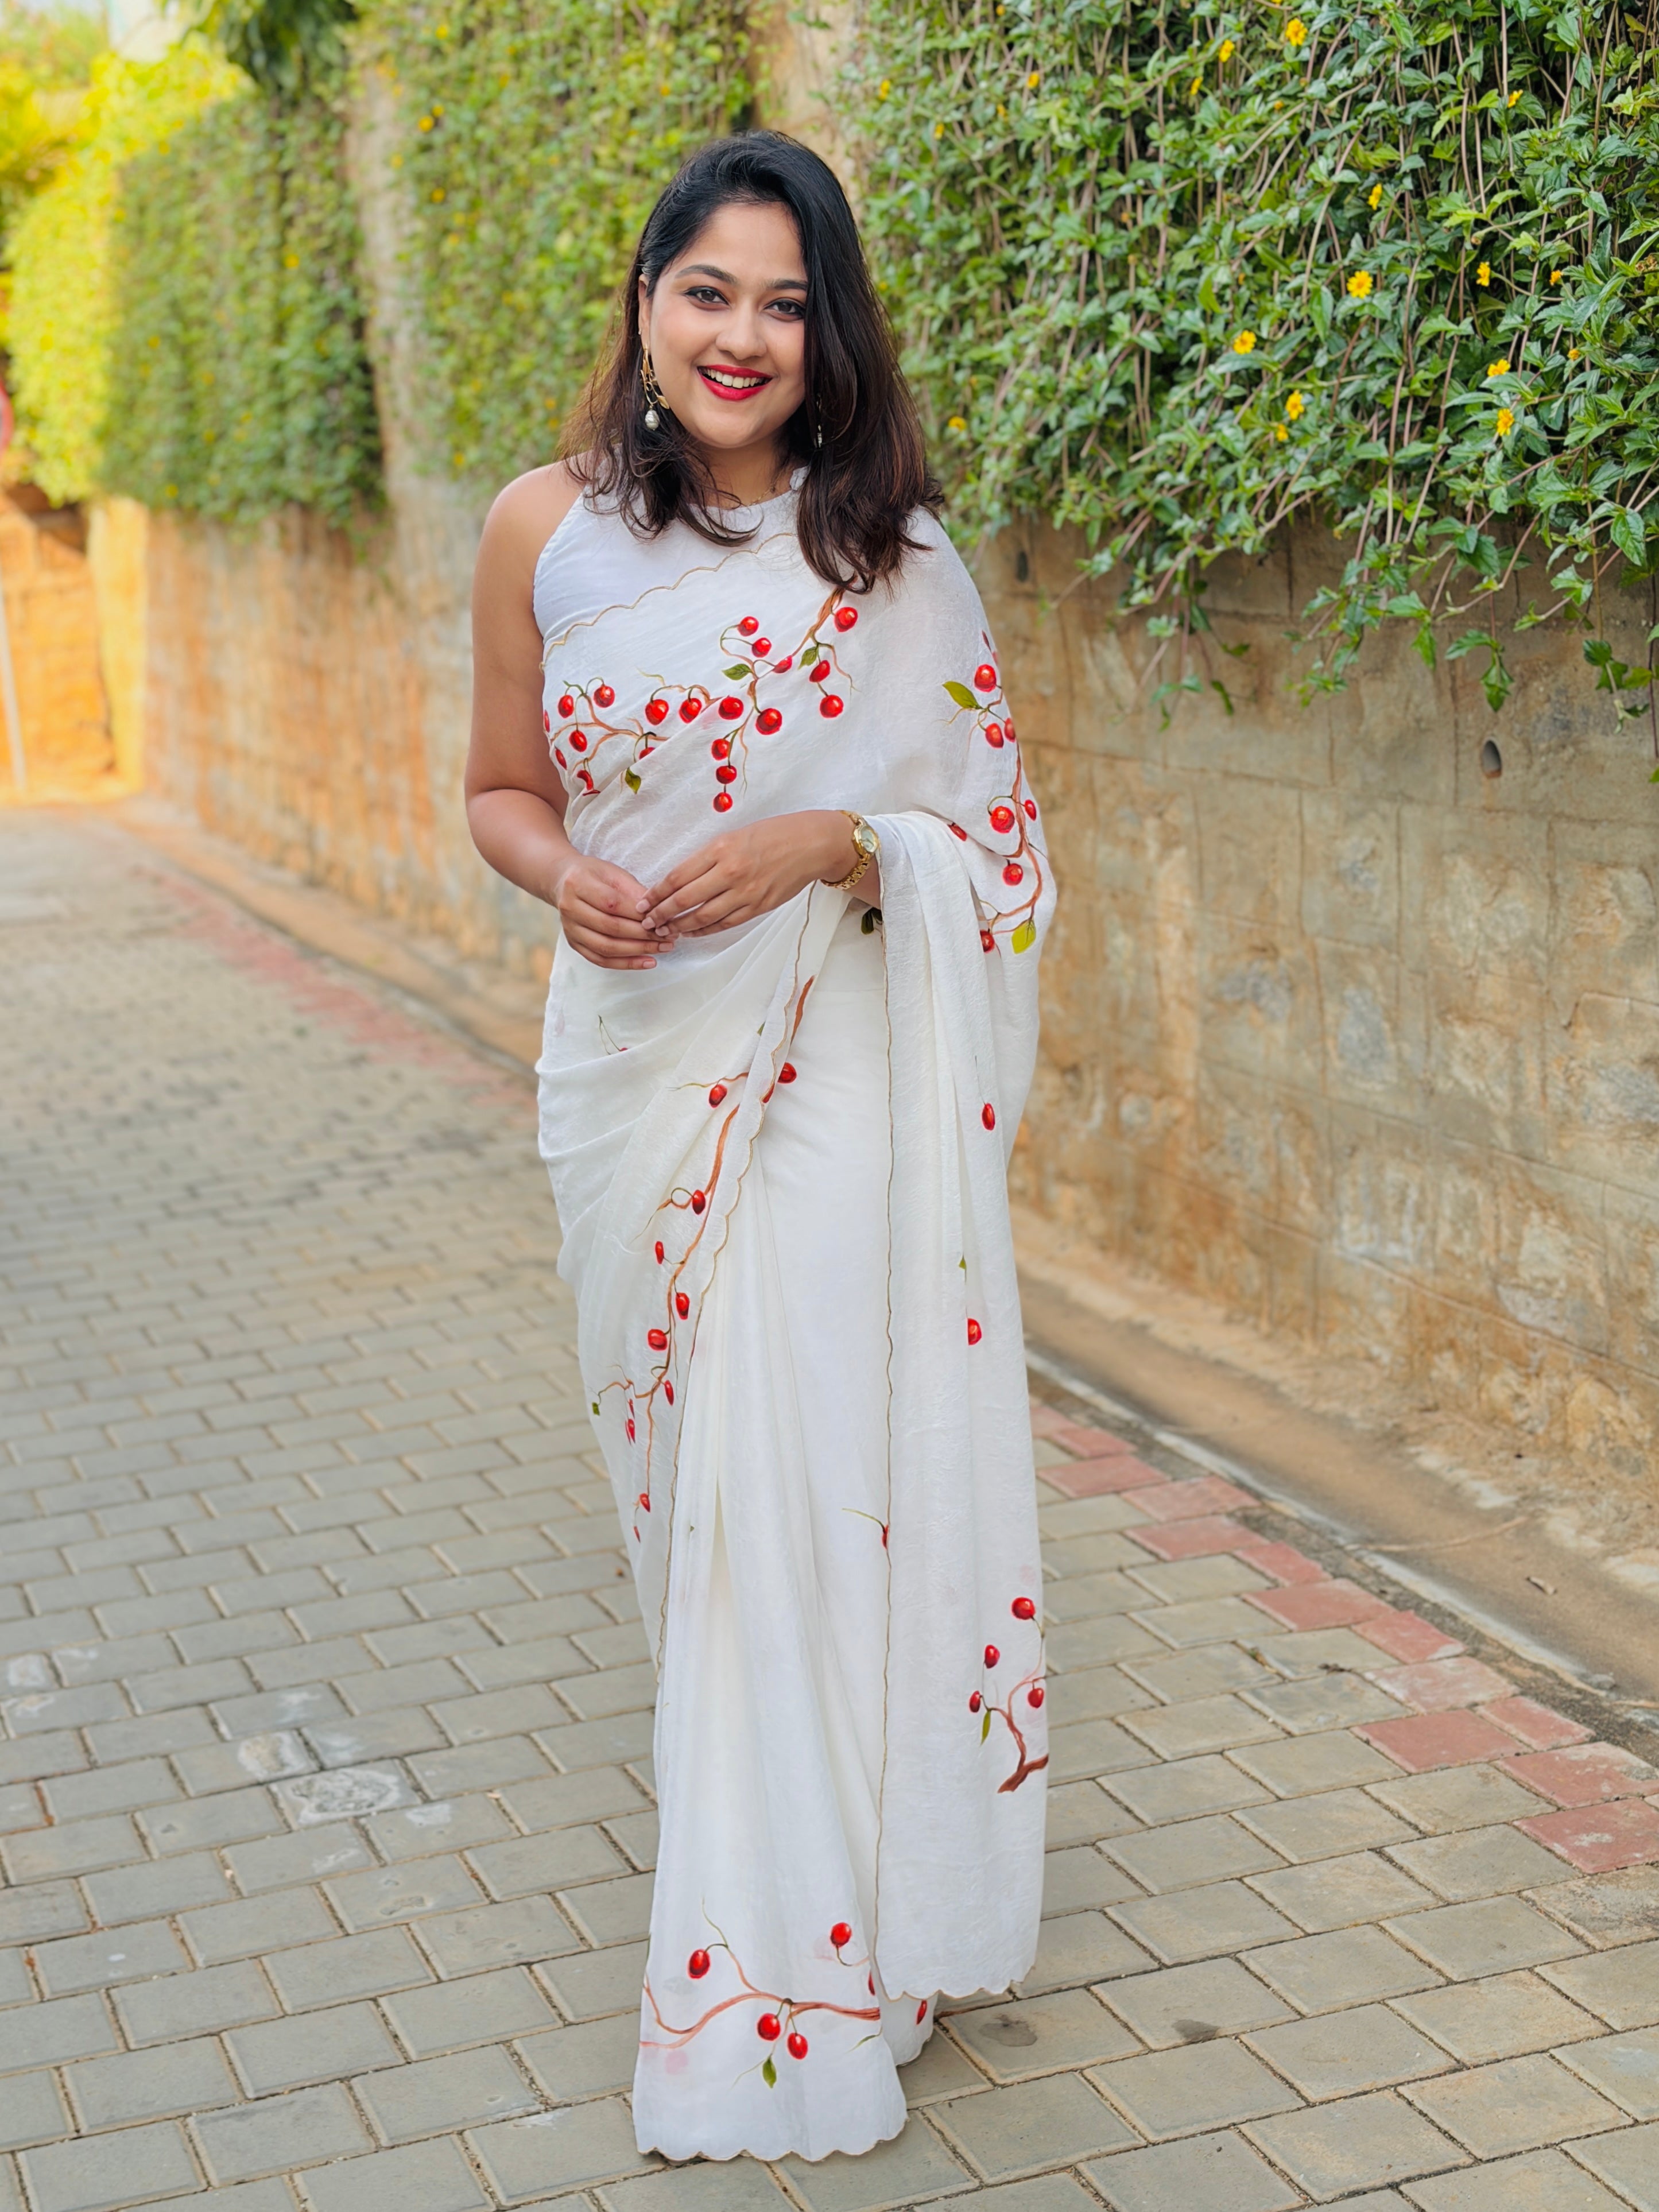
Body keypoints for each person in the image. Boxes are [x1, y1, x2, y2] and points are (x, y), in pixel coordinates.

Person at [464, 129, 1055, 2166]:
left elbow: (1000, 861)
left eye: (786, 304)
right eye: (707, 290)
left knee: (796, 1499)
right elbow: (495, 785)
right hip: (628, 1077)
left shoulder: (893, 564)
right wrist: (562, 880)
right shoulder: (541, 530)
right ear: (643, 301)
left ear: (832, 336)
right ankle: (840, 1888)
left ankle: (793, 1981)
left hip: (833, 1086)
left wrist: (840, 845)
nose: (741, 337)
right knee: (690, 1523)